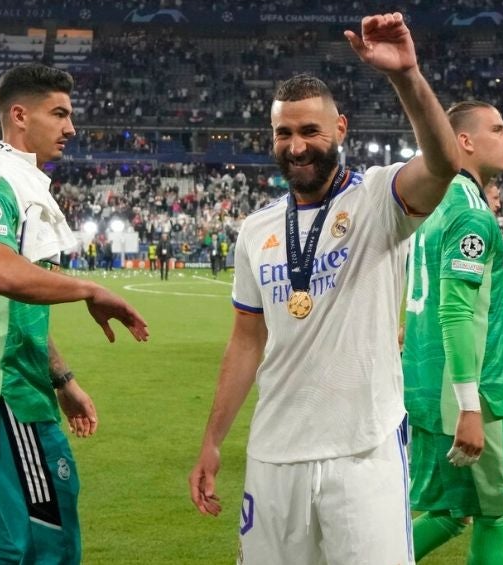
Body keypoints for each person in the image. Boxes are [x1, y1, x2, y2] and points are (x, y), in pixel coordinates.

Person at [188, 13, 460, 565]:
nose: (296, 146)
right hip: (273, 454)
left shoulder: (379, 199)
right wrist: (213, 440)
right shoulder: (257, 228)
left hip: (363, 453)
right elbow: (246, 341)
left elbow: (444, 161)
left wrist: (406, 75)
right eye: (284, 133)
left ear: (340, 129)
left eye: (310, 131)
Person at [0, 63, 149, 565]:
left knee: (9, 548)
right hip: (3, 391)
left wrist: (62, 379)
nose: (71, 128)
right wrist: (87, 289)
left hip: (19, 387)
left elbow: (18, 307)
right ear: (20, 115)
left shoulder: (26, 187)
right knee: (43, 547)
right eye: (59, 113)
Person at [402, 100, 503, 563]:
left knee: (454, 510)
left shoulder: (430, 205)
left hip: (428, 387)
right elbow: (456, 312)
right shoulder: (471, 213)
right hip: (474, 393)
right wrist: (471, 407)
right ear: (465, 142)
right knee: (498, 512)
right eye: (499, 128)